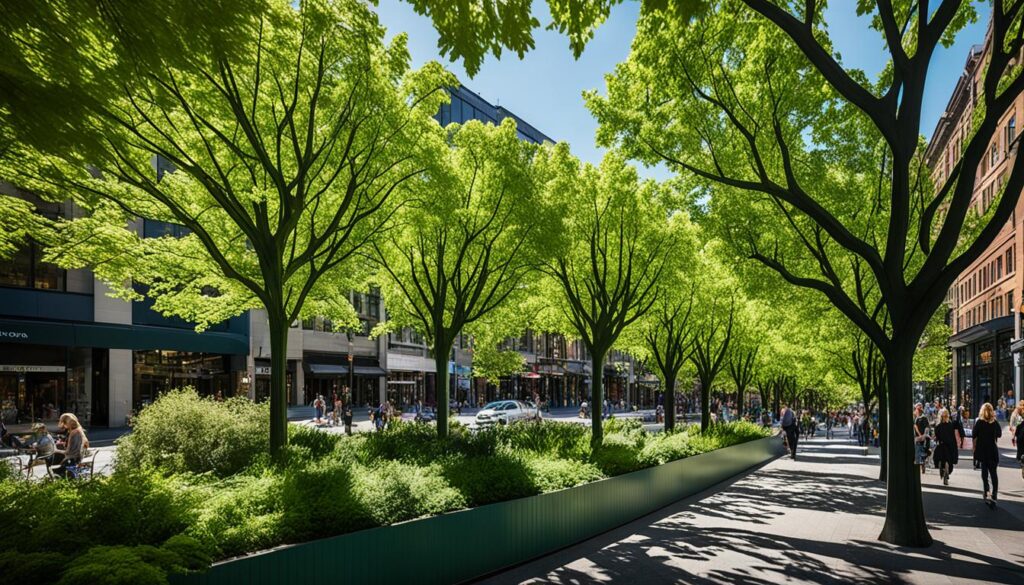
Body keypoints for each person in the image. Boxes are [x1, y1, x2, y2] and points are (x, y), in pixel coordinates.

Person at [973, 402, 1002, 508]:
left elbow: (974, 434)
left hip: (983, 450)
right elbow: (999, 434)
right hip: (992, 450)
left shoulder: (979, 422)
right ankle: (994, 495)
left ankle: (986, 491)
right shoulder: (994, 423)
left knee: (984, 474)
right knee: (993, 473)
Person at [54, 413, 89, 479]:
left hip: (72, 459)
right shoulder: (79, 430)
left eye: (64, 424)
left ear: (66, 423)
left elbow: (68, 452)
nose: (64, 427)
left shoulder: (73, 433)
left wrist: (56, 450)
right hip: (78, 457)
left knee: (53, 457)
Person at [933, 408, 960, 486]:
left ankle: (943, 468)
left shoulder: (938, 426)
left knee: (940, 459)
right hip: (951, 445)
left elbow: (936, 437)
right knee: (949, 460)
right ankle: (947, 468)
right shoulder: (951, 425)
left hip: (942, 445)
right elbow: (956, 430)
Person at [913, 403, 929, 474]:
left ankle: (921, 464)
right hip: (918, 437)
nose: (916, 410)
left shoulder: (923, 418)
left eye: (916, 409)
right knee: (919, 450)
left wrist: (922, 436)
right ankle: (921, 463)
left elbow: (926, 427)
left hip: (920, 437)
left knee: (920, 450)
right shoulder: (916, 418)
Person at [1010, 402, 1024, 478]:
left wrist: (1013, 436)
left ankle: (1022, 463)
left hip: (1020, 436)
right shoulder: (1015, 414)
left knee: (1020, 452)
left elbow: (1013, 426)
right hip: (1020, 435)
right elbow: (1012, 425)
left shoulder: (1016, 414)